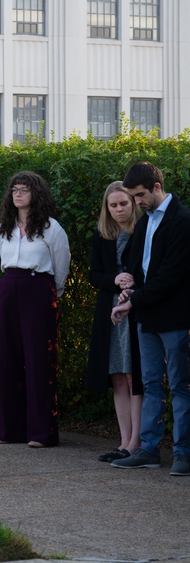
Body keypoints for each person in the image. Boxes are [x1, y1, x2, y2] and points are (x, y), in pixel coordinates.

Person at [110, 162, 190, 476]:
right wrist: (129, 290)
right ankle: (149, 450)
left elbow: (170, 276)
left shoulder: (183, 222)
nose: (137, 202)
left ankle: (183, 454)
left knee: (182, 386)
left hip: (175, 318)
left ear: (157, 187)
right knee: (152, 385)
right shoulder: (144, 224)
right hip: (147, 318)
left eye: (140, 195)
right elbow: (139, 268)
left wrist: (135, 301)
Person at [0, 171, 70, 448]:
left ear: (36, 194)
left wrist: (48, 294)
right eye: (14, 189)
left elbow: (61, 268)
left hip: (38, 289)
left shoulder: (51, 228)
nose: (18, 194)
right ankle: (8, 429)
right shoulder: (5, 225)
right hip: (8, 286)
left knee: (39, 359)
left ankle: (41, 432)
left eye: (24, 189)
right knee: (7, 358)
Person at [86, 181, 143, 462]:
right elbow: (93, 274)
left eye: (124, 203)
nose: (119, 209)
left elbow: (155, 271)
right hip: (109, 311)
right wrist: (113, 279)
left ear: (133, 204)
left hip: (137, 310)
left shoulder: (144, 230)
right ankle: (123, 442)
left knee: (135, 377)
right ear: (106, 209)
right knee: (118, 377)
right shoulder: (101, 235)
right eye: (113, 205)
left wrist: (133, 281)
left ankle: (136, 443)